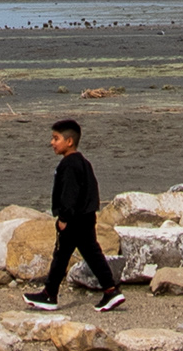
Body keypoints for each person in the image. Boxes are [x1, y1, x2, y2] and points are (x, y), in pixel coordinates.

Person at [29, 118, 124, 312]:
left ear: (69, 141)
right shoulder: (84, 162)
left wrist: (63, 218)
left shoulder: (69, 164)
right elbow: (92, 190)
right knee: (88, 254)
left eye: (56, 138)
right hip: (86, 216)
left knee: (63, 255)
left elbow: (69, 194)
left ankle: (50, 295)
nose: (52, 143)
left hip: (74, 219)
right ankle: (110, 290)